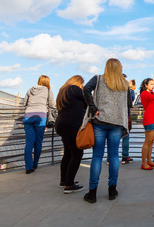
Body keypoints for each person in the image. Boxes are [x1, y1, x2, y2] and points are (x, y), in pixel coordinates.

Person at [83, 58, 131, 203]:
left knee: (97, 156)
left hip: (100, 121)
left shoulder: (98, 79)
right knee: (114, 156)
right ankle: (112, 190)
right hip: (116, 123)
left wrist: (93, 108)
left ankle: (92, 193)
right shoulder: (124, 84)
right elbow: (128, 104)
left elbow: (85, 89)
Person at [55, 75, 86, 194]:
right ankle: (69, 184)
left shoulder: (63, 91)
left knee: (68, 154)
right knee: (77, 154)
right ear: (78, 83)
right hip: (72, 125)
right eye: (82, 85)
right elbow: (87, 98)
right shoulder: (74, 88)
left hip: (62, 125)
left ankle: (64, 181)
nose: (82, 87)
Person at [22, 75, 56, 174]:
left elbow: (24, 104)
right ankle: (35, 164)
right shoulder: (48, 90)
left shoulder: (30, 89)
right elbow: (52, 105)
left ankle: (28, 167)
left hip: (28, 116)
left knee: (29, 142)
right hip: (41, 116)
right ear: (47, 82)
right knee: (38, 142)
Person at [121, 77, 135, 164]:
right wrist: (132, 89)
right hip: (125, 116)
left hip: (114, 117)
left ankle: (109, 158)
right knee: (126, 136)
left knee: (112, 138)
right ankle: (125, 157)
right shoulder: (127, 90)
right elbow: (131, 101)